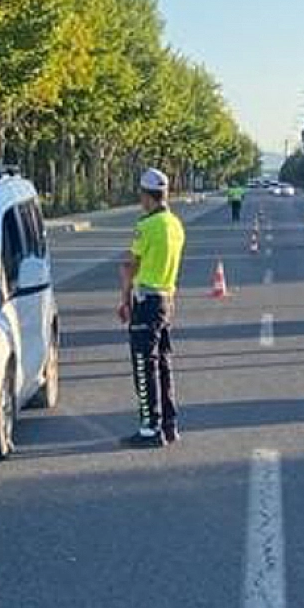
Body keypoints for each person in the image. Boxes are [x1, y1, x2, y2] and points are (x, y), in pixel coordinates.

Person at [118, 168, 186, 448]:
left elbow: (130, 265)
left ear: (147, 196)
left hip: (146, 300)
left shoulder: (146, 226)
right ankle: (169, 425)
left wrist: (124, 299)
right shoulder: (175, 224)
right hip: (167, 299)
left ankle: (150, 427)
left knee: (144, 365)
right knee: (164, 364)